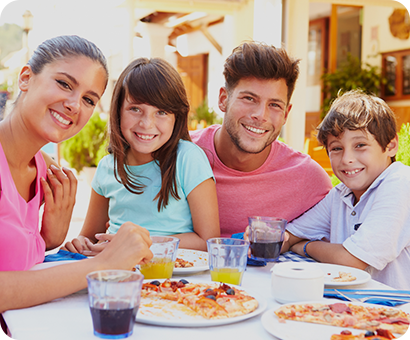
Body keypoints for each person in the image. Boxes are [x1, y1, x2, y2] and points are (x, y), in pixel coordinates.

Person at [0, 36, 153, 317]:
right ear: (26, 78)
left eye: (88, 99)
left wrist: (49, 240)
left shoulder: (45, 172)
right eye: (64, 84)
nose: (74, 105)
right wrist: (102, 265)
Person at [63, 57, 219, 254]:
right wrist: (79, 244)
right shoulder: (107, 167)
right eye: (135, 109)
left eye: (161, 112)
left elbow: (209, 241)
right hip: (116, 273)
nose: (146, 123)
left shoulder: (188, 158)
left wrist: (140, 244)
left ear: (176, 117)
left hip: (173, 276)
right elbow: (90, 236)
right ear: (118, 111)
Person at [190, 41, 332, 237]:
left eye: (274, 105)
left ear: (285, 114)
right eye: (249, 98)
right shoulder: (179, 154)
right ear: (224, 99)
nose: (261, 115)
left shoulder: (308, 179)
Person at [283, 90, 410, 290]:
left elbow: (353, 261)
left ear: (391, 146)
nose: (347, 159)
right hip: (352, 307)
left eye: (360, 145)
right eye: (336, 148)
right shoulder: (340, 194)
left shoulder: (400, 183)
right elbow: (289, 235)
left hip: (397, 311)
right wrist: (273, 239)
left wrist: (306, 247)